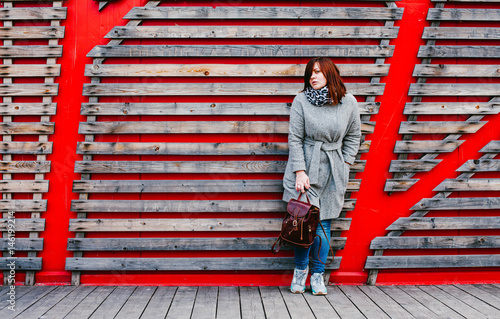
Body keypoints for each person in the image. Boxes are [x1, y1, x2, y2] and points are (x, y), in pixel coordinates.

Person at [282, 57, 361, 295]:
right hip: (306, 168)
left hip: (334, 170)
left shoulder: (348, 102)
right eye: (310, 73)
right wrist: (300, 171)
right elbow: (295, 138)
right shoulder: (301, 100)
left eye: (317, 72)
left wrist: (345, 163)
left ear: (330, 74)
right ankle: (300, 272)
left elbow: (354, 136)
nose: (312, 77)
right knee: (305, 223)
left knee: (324, 224)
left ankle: (317, 276)